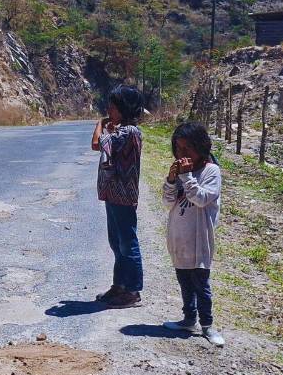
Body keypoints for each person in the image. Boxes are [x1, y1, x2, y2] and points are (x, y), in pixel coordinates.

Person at [161, 122, 225, 347]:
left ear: (201, 146)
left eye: (187, 149)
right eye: (178, 149)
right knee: (184, 282)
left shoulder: (211, 171)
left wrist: (187, 177)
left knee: (201, 283)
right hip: (179, 238)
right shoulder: (180, 172)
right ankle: (189, 319)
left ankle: (207, 325)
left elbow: (201, 199)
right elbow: (168, 203)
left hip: (199, 239)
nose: (182, 154)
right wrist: (171, 180)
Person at [91, 85, 147, 308]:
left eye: (113, 106)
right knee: (117, 242)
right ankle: (120, 285)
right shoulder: (122, 131)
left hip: (122, 195)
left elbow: (97, 144)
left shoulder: (129, 132)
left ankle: (132, 290)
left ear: (124, 109)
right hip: (113, 194)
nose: (109, 110)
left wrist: (100, 124)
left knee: (127, 242)